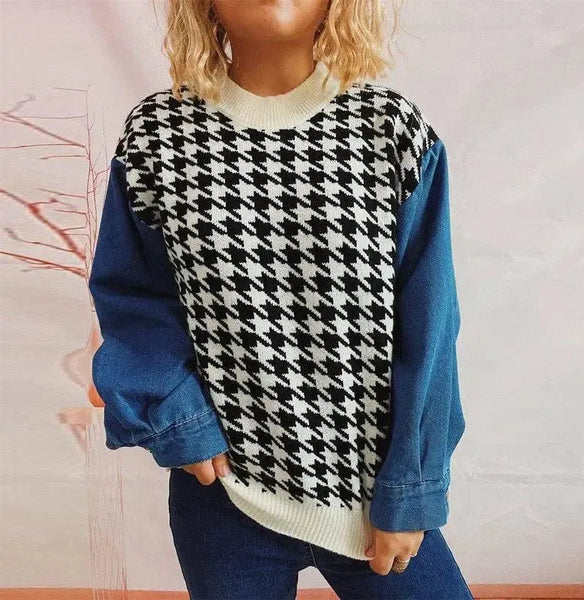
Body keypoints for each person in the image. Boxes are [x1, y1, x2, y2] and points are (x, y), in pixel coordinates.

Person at [88, 0, 473, 598]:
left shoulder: (390, 130)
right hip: (224, 494)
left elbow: (430, 326)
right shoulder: (157, 136)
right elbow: (135, 299)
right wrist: (179, 420)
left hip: (375, 495)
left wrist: (411, 491)